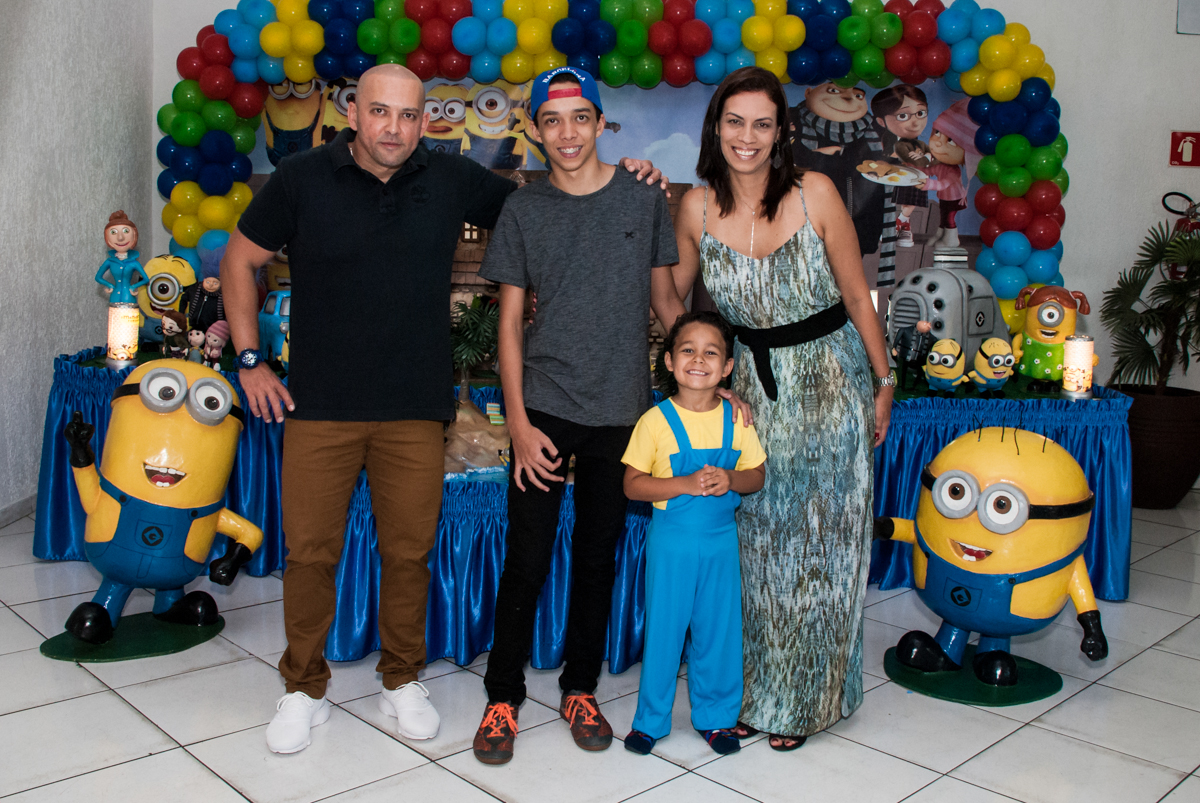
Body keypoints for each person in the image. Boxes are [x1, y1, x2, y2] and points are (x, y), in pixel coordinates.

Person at [219, 63, 664, 756]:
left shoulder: (453, 179)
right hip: (321, 405)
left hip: (415, 408)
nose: (394, 127)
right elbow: (239, 259)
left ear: (424, 119)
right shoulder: (302, 176)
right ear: (353, 113)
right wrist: (249, 361)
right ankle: (303, 687)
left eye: (407, 114)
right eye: (380, 112)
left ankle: (402, 678)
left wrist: (633, 172)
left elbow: (551, 203)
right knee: (309, 553)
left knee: (409, 552)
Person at [471, 66, 691, 766]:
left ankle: (579, 688)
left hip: (622, 411)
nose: (567, 133)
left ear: (601, 123)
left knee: (597, 560)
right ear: (535, 130)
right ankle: (502, 695)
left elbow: (665, 304)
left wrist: (712, 369)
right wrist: (517, 421)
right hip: (543, 407)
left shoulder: (643, 197)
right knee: (528, 559)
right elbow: (508, 324)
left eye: (580, 118)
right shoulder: (524, 210)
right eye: (552, 120)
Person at [672, 67, 894, 751]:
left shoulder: (816, 192)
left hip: (831, 381)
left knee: (823, 547)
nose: (748, 136)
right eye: (735, 122)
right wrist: (703, 370)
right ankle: (751, 691)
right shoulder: (696, 207)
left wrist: (885, 381)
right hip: (753, 394)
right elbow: (671, 302)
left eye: (762, 123)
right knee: (757, 548)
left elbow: (859, 297)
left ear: (781, 131)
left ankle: (807, 698)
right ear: (716, 128)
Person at [621, 312, 766, 758]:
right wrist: (683, 484)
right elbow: (632, 484)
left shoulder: (738, 419)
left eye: (711, 352)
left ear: (727, 368)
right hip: (672, 544)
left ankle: (716, 718)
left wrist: (732, 479)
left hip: (722, 543)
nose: (698, 359)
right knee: (664, 631)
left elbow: (757, 475)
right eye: (687, 350)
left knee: (718, 632)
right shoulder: (654, 421)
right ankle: (650, 721)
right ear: (668, 361)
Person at [790, 82, 896, 287]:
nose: (847, 99)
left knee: (845, 289)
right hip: (801, 231)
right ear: (808, 92)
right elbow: (783, 164)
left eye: (858, 95)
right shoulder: (791, 122)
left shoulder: (875, 132)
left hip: (858, 233)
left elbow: (877, 174)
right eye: (833, 91)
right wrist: (823, 157)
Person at [871, 85, 931, 248]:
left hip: (909, 173)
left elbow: (928, 156)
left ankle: (903, 222)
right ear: (881, 121)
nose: (915, 122)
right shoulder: (878, 140)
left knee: (917, 181)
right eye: (903, 115)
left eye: (920, 113)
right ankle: (887, 226)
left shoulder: (917, 143)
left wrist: (924, 157)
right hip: (885, 173)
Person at [922, 100, 981, 250]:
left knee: (949, 218)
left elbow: (944, 183)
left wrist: (928, 184)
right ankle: (940, 234)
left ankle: (951, 239)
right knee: (943, 217)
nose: (938, 143)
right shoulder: (940, 164)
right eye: (937, 133)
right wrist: (917, 171)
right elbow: (931, 171)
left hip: (954, 198)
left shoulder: (954, 170)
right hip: (944, 197)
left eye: (950, 140)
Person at [95, 211, 146, 305]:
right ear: (107, 238)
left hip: (129, 298)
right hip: (114, 297)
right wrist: (109, 285)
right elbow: (98, 277)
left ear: (134, 235)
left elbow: (146, 279)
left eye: (126, 231)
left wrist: (133, 286)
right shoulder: (109, 262)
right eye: (113, 232)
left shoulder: (134, 263)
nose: (120, 237)